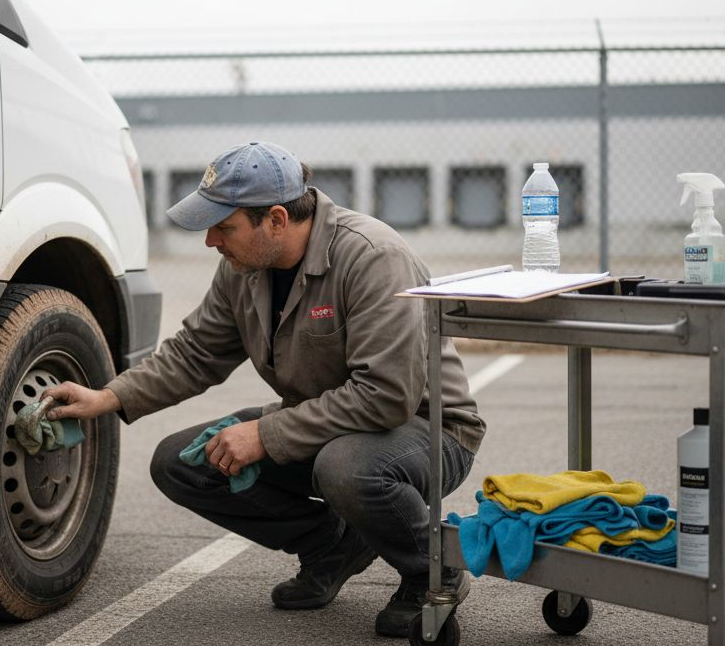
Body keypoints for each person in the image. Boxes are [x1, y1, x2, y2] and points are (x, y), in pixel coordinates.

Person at [43, 141, 486, 637]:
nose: (211, 240)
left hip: (426, 430)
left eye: (223, 226)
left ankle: (432, 570)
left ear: (276, 219)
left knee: (345, 467)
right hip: (326, 427)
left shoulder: (372, 258)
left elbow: (385, 395)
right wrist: (109, 397)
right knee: (181, 462)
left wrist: (266, 434)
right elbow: (196, 351)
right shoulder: (245, 267)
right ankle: (331, 545)